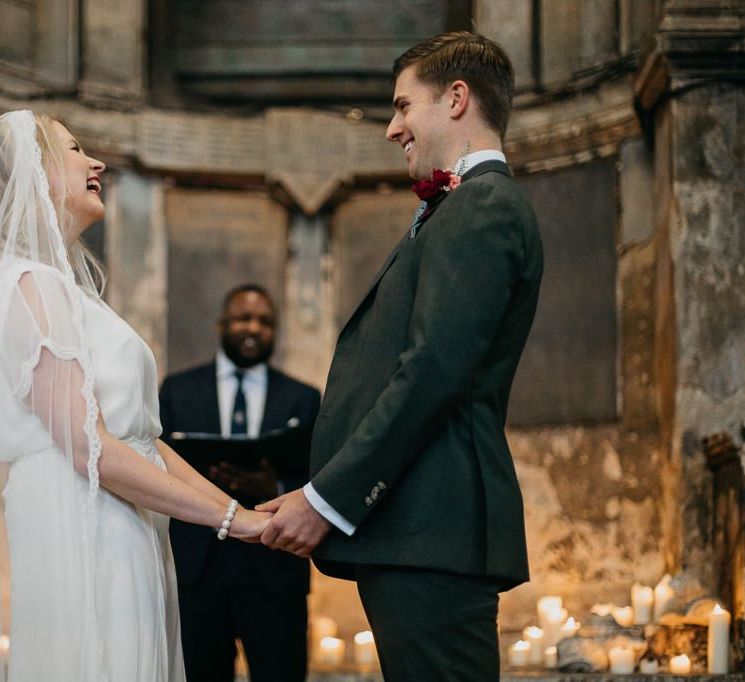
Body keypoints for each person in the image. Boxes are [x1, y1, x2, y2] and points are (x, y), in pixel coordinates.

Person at [257, 32, 543, 681]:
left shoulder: (483, 206)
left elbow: (430, 374)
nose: (392, 128)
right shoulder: (458, 207)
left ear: (456, 98)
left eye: (402, 106)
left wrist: (326, 500)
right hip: (417, 537)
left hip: (431, 535)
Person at [0, 110, 270, 682]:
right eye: (74, 149)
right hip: (81, 518)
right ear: (32, 171)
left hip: (125, 516)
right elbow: (86, 447)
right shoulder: (29, 282)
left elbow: (142, 438)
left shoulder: (67, 289)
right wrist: (233, 520)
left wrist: (238, 516)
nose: (95, 161)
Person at [159, 284, 320, 682]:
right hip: (198, 569)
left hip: (275, 568)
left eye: (265, 322)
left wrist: (275, 483)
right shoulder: (177, 391)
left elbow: (318, 475)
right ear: (222, 324)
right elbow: (158, 467)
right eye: (242, 318)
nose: (253, 328)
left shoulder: (303, 398)